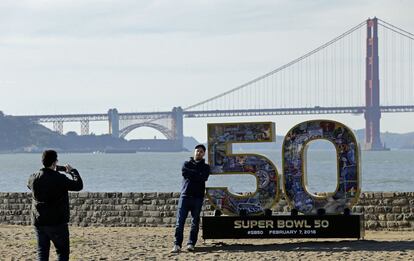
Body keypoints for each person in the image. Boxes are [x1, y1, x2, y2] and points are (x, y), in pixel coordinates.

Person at [27, 150, 83, 261]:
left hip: (39, 221)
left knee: (42, 254)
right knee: (62, 253)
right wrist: (72, 171)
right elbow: (78, 185)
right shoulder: (59, 178)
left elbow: (29, 186)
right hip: (57, 222)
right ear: (54, 163)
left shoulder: (33, 177)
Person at [171, 144, 210, 253]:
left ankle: (191, 243)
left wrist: (193, 174)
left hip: (198, 197)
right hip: (185, 196)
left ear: (204, 154)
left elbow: (204, 177)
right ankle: (177, 244)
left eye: (201, 151)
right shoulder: (186, 163)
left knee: (195, 222)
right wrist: (198, 175)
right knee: (180, 222)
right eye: (197, 151)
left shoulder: (206, 167)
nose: (199, 153)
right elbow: (185, 173)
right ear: (194, 152)